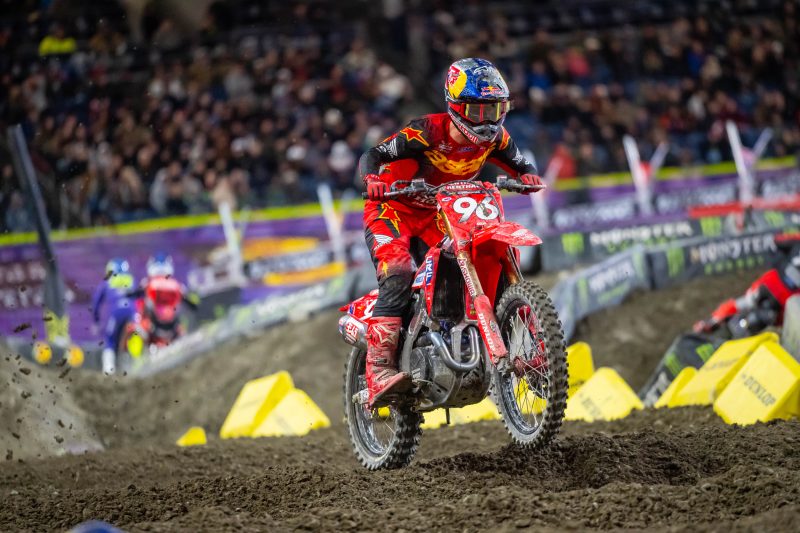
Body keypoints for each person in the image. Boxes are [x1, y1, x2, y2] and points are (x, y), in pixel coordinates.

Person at [357, 58, 543, 406]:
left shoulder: (496, 138)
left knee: (470, 256)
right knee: (398, 271)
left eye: (494, 110)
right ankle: (378, 368)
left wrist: (528, 176)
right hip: (392, 209)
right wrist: (371, 180)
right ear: (455, 106)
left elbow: (521, 163)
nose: (486, 121)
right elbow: (375, 153)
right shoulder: (426, 131)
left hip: (438, 212)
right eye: (478, 111)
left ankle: (485, 337)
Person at [694, 233, 800, 338]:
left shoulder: (797, 239)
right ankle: (713, 321)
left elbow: (775, 242)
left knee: (746, 304)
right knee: (749, 306)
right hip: (781, 292)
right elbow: (776, 242)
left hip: (774, 285)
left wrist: (778, 264)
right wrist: (778, 263)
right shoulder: (796, 240)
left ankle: (713, 321)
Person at [92, 258, 135, 374]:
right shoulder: (131, 280)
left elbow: (96, 303)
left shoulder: (107, 282)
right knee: (129, 341)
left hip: (116, 314)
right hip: (131, 314)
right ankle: (130, 370)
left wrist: (96, 321)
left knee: (110, 341)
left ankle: (108, 371)